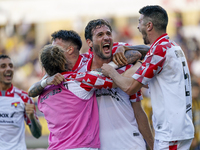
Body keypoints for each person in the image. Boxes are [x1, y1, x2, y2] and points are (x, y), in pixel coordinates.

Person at [28, 29, 153, 149]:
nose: (54, 52)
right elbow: (124, 81)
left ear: (70, 49)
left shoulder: (91, 63)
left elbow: (146, 51)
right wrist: (139, 65)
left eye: (56, 49)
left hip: (126, 139)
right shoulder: (66, 78)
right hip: (88, 145)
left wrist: (123, 50)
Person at [101, 5, 194, 150]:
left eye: (139, 22)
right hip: (179, 129)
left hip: (171, 134)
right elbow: (150, 50)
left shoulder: (159, 51)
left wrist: (111, 71)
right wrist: (126, 48)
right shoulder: (173, 46)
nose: (138, 27)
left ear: (149, 25)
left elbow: (130, 88)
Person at [79, 19, 153, 150]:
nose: (106, 37)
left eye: (108, 33)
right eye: (100, 35)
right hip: (100, 145)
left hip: (131, 143)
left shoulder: (126, 64)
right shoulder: (83, 69)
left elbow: (138, 111)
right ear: (89, 42)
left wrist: (153, 145)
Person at [37, 44, 113, 150]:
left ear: (44, 68)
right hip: (82, 146)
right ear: (64, 61)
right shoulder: (79, 80)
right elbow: (113, 80)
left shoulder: (41, 95)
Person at [0, 54, 42, 150]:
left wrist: (32, 117)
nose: (8, 69)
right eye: (3, 66)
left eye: (11, 66)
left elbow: (37, 134)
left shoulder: (24, 97)